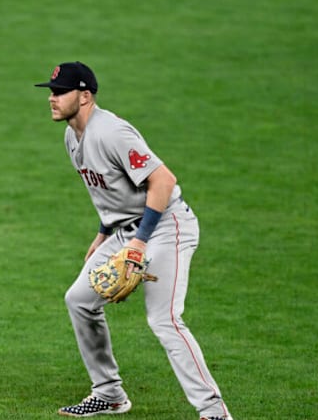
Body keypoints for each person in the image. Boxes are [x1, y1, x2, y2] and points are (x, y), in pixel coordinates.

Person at [34, 61, 233, 420]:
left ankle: (214, 412)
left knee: (164, 320)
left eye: (60, 92)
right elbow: (114, 191)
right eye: (51, 91)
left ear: (85, 96)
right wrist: (103, 234)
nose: (52, 98)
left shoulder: (112, 132)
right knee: (79, 299)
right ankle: (109, 394)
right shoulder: (71, 137)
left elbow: (163, 181)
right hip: (126, 230)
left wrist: (139, 243)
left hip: (166, 226)